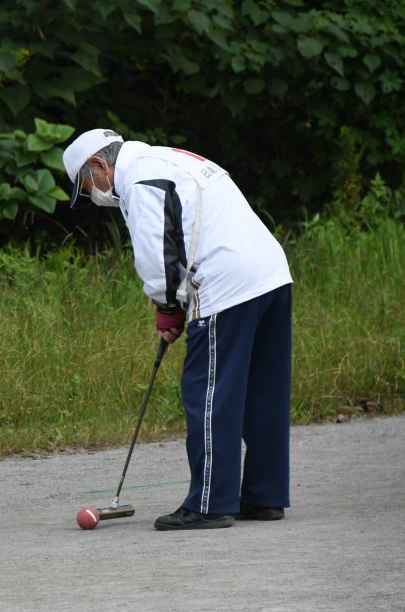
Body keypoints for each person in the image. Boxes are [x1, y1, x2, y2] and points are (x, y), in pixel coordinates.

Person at [62, 128, 293, 530]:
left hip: (227, 284)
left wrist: (167, 307)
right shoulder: (170, 158)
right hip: (272, 275)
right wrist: (175, 305)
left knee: (207, 393)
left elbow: (158, 253)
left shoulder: (137, 181)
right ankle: (263, 497)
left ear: (100, 165)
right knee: (262, 392)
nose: (94, 195)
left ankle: (209, 503)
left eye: (88, 185)